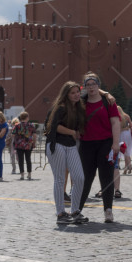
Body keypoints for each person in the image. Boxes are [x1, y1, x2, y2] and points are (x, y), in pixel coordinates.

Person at [78, 72, 121, 224]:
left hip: (105, 143)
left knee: (106, 177)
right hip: (86, 144)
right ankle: (77, 210)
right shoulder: (80, 102)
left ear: (98, 85)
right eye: (88, 85)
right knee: (85, 178)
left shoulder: (108, 102)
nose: (91, 87)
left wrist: (116, 143)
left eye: (94, 84)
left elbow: (115, 122)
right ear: (84, 87)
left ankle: (108, 211)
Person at [45, 81, 89, 225]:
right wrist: (72, 132)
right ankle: (61, 213)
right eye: (73, 92)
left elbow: (94, 90)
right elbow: (54, 127)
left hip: (70, 145)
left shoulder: (78, 107)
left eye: (78, 92)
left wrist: (106, 93)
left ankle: (75, 210)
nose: (76, 95)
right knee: (59, 179)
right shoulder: (61, 108)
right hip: (56, 144)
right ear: (66, 94)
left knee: (80, 178)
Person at [12, 111, 36, 180]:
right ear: (27, 117)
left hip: (19, 145)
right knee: (28, 159)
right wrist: (34, 143)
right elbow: (34, 135)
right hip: (28, 144)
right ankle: (29, 174)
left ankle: (22, 175)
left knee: (20, 160)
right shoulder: (31, 125)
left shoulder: (17, 125)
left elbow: (13, 134)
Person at [118, 106, 132, 177]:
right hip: (128, 134)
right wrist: (126, 128)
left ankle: (128, 167)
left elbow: (118, 128)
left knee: (124, 150)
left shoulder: (118, 117)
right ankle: (128, 167)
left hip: (121, 134)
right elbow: (130, 125)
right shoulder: (126, 116)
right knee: (126, 150)